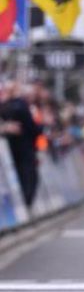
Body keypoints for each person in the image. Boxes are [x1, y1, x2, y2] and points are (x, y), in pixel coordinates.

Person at [0, 81, 40, 209]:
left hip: (19, 146)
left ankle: (26, 202)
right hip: (22, 147)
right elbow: (31, 127)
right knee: (28, 174)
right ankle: (26, 201)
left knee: (25, 173)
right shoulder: (19, 105)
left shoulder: (12, 105)